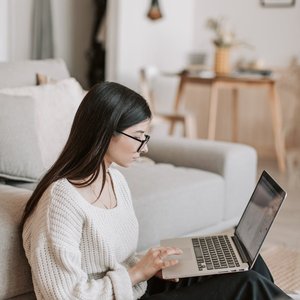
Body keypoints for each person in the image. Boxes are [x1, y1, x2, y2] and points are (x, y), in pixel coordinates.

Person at [21, 81, 291, 300]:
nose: (145, 148)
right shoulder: (61, 200)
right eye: (138, 136)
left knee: (248, 263)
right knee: (248, 285)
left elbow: (114, 261)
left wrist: (153, 268)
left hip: (135, 289)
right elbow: (61, 295)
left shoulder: (115, 180)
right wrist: (138, 273)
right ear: (105, 132)